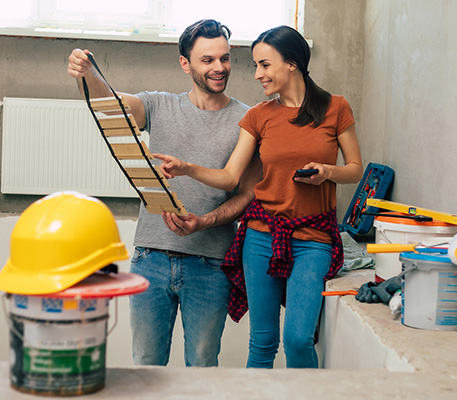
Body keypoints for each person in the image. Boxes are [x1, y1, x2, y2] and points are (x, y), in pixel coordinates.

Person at [153, 25, 363, 369]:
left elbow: (355, 168)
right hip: (262, 236)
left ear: (292, 63)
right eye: (255, 66)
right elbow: (230, 177)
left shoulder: (336, 108)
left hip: (314, 239)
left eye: (264, 65)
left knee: (298, 340)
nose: (257, 74)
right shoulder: (258, 116)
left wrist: (328, 172)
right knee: (263, 342)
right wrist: (188, 167)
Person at [67, 19, 261, 367]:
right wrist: (87, 73)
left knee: (202, 367)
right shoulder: (159, 105)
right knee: (146, 365)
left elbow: (247, 194)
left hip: (211, 262)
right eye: (208, 60)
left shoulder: (249, 119)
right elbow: (109, 106)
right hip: (150, 258)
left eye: (225, 58)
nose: (219, 68)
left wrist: (204, 222)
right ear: (185, 63)